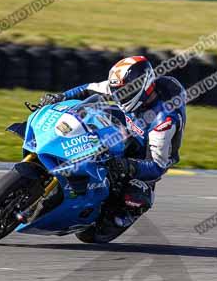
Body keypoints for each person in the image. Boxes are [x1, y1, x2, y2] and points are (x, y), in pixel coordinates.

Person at [36, 56, 187, 226]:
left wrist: (126, 166)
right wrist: (60, 97)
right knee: (89, 112)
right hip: (129, 123)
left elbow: (158, 166)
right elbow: (90, 89)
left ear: (143, 87)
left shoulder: (163, 122)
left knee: (134, 193)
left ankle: (118, 215)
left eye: (124, 91)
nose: (119, 96)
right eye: (116, 91)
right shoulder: (126, 88)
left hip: (145, 154)